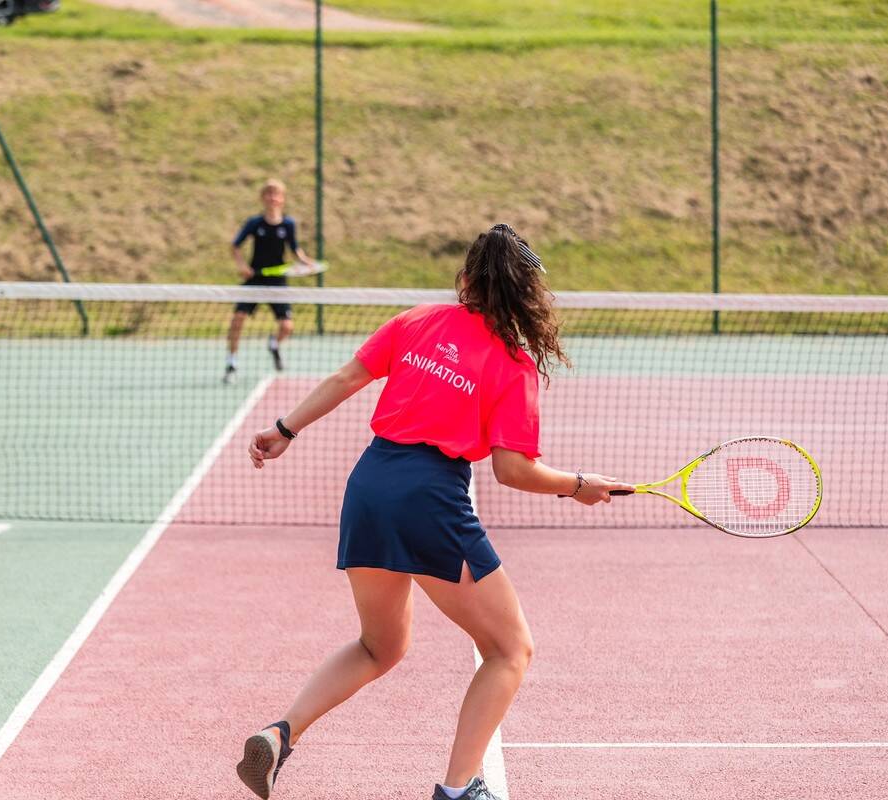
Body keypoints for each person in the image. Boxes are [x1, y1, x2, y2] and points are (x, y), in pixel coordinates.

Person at [235, 224, 633, 800]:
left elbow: (348, 378)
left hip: (368, 486)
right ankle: (456, 790)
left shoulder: (417, 319)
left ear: (468, 276)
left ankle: (281, 732)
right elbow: (513, 470)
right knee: (510, 649)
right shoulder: (513, 363)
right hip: (430, 498)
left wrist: (283, 429)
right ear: (526, 294)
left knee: (380, 646)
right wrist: (579, 485)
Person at [225, 179, 316, 384]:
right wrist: (242, 266)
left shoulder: (288, 224)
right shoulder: (254, 223)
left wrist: (307, 262)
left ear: (282, 199)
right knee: (237, 319)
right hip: (255, 279)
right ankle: (231, 363)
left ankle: (274, 345)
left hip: (278, 282)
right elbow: (235, 246)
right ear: (262, 198)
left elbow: (294, 249)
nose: (272, 198)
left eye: (276, 194)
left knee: (287, 327)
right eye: (268, 193)